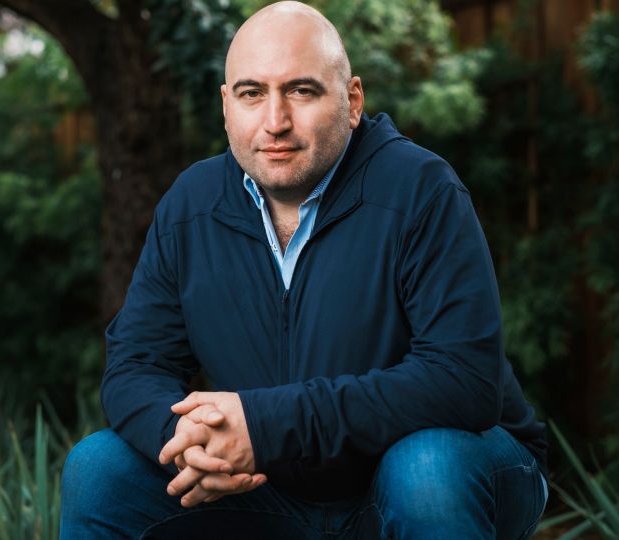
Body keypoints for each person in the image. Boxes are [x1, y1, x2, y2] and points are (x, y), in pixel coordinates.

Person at [60, 2, 548, 538]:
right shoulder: (191, 205)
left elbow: (463, 380)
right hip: (269, 490)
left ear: (352, 100)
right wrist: (184, 439)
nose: (275, 122)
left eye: (301, 91)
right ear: (226, 105)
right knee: (98, 469)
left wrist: (265, 427)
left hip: (445, 471)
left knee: (426, 469)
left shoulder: (420, 190)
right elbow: (136, 364)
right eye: (252, 93)